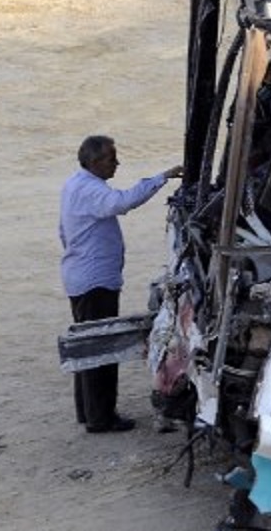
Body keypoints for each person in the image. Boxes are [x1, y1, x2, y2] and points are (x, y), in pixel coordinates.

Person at [59, 135, 182, 433]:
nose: (117, 163)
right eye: (112, 159)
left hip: (80, 274)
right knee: (101, 346)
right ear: (95, 162)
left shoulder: (75, 184)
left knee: (87, 343)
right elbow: (123, 202)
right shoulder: (91, 190)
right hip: (94, 279)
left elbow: (63, 231)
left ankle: (88, 411)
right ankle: (101, 417)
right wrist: (162, 177)